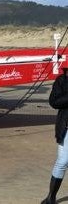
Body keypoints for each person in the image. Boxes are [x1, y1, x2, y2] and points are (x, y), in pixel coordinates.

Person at [42, 67, 68, 204]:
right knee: (63, 161)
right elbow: (54, 102)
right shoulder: (61, 81)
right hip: (66, 128)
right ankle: (50, 198)